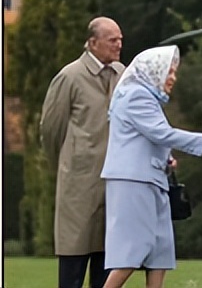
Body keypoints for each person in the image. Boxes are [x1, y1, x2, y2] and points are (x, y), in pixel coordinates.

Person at [100, 45, 202, 288]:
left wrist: (165, 160)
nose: (173, 78)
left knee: (161, 249)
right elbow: (161, 133)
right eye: (169, 72)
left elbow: (146, 137)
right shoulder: (136, 95)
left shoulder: (144, 96)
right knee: (135, 248)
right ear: (154, 71)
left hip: (151, 178)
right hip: (134, 181)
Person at [41, 17, 125, 288]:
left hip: (113, 183)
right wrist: (68, 164)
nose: (119, 44)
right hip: (79, 184)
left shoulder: (123, 73)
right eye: (112, 40)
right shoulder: (70, 76)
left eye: (120, 39)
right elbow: (51, 130)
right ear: (92, 43)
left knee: (106, 263)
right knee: (73, 263)